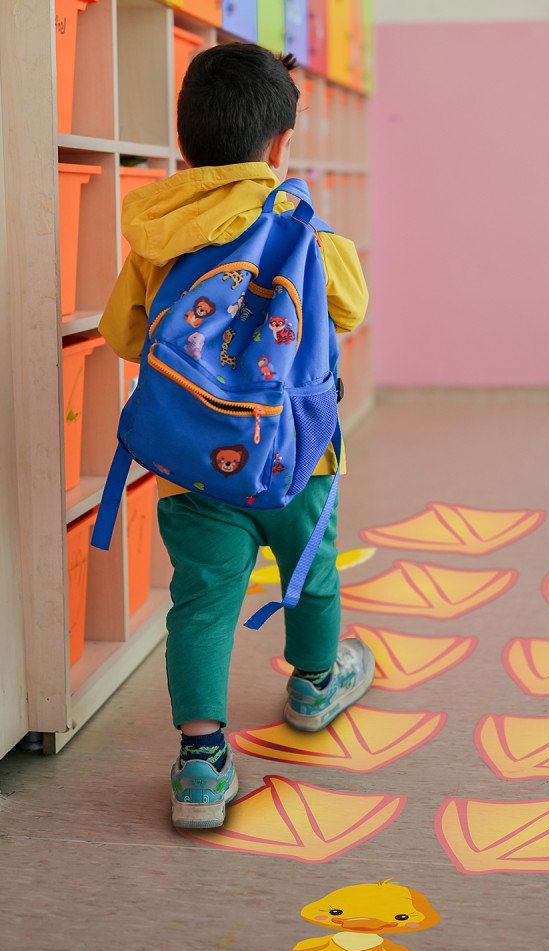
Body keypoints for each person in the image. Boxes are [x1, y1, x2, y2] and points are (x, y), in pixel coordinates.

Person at [98, 43, 372, 830]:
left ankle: (201, 763)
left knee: (202, 601)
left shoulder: (160, 229)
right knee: (310, 575)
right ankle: (315, 684)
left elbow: (124, 334)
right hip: (295, 456)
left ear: (185, 143)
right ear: (279, 144)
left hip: (191, 463)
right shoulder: (303, 224)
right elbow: (351, 308)